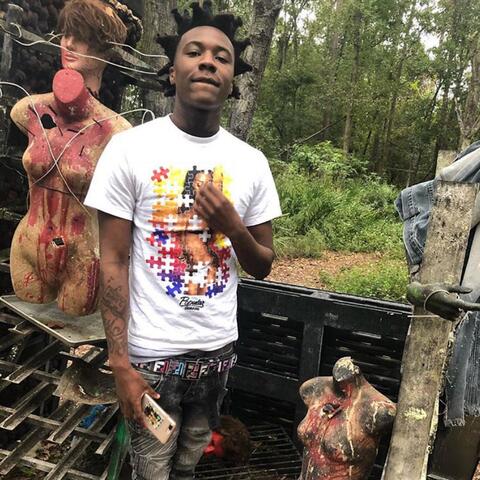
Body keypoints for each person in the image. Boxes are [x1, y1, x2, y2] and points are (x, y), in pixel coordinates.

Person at [84, 2, 282, 479]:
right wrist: (120, 363)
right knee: (151, 470)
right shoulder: (130, 150)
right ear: (172, 73)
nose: (208, 61)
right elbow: (112, 260)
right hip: (151, 357)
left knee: (191, 459)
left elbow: (263, 264)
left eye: (222, 57)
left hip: (217, 354)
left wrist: (233, 226)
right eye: (194, 52)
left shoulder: (252, 162)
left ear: (233, 81)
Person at [9, 0, 134, 316]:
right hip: (27, 245)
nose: (69, 43)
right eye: (66, 33)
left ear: (106, 50)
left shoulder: (117, 131)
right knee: (28, 324)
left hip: (83, 257)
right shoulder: (28, 112)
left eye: (82, 37)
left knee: (73, 327)